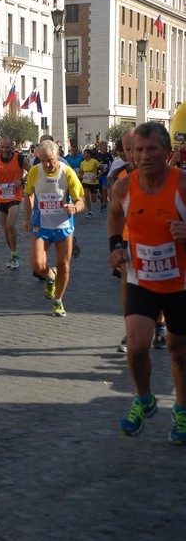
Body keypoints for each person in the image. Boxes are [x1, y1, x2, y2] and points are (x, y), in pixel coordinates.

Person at [107, 122, 186, 444]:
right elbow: (114, 214)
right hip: (142, 279)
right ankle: (144, 398)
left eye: (151, 149)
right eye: (138, 149)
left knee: (179, 352)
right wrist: (116, 245)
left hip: (181, 284)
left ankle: (181, 409)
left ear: (167, 153)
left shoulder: (182, 185)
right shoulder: (124, 187)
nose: (144, 155)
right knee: (137, 346)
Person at [23, 139, 84, 317]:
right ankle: (50, 276)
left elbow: (81, 200)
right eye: (43, 161)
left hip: (63, 226)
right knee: (36, 265)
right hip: (41, 225)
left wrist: (75, 208)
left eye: (50, 160)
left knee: (64, 266)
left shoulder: (68, 173)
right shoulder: (35, 172)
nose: (47, 164)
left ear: (57, 155)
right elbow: (28, 195)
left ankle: (58, 300)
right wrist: (27, 218)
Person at [0, 135, 30, 269]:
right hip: (0, 197)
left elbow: (33, 171)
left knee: (10, 225)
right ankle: (13, 254)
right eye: (2, 147)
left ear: (12, 147)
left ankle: (15, 255)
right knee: (5, 229)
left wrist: (22, 181)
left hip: (15, 197)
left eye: (7, 147)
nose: (4, 150)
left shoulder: (20, 158)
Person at [79, 147, 100, 219]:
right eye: (83, 153)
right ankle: (89, 211)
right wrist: (80, 175)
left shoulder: (94, 161)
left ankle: (97, 194)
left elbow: (103, 170)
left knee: (94, 200)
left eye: (84, 153)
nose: (83, 155)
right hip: (85, 182)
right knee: (86, 196)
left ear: (89, 154)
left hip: (94, 182)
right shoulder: (82, 163)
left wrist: (97, 176)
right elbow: (81, 172)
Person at [95, 140, 114, 213]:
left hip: (106, 174)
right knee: (100, 192)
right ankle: (102, 204)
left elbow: (112, 163)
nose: (106, 147)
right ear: (100, 147)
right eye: (104, 146)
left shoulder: (109, 155)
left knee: (104, 190)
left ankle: (105, 204)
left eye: (107, 146)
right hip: (99, 175)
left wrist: (110, 168)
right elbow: (95, 165)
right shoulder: (97, 155)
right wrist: (99, 164)